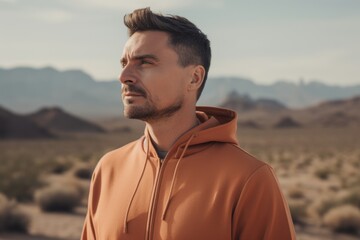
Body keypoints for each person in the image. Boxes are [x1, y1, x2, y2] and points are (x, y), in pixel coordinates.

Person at [81, 7, 296, 240]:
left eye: (145, 63)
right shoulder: (108, 169)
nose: (124, 76)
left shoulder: (248, 178)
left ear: (194, 78)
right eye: (124, 62)